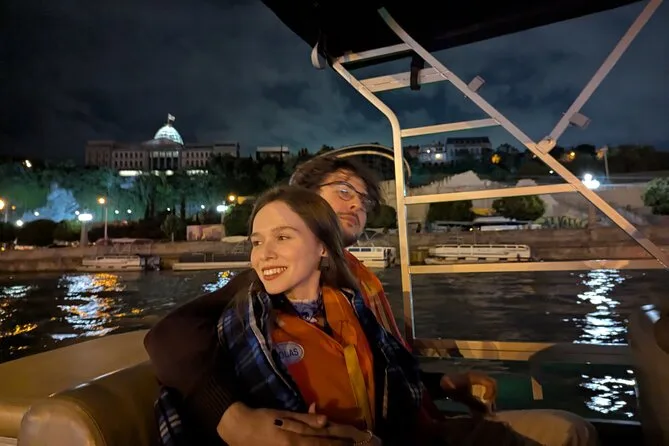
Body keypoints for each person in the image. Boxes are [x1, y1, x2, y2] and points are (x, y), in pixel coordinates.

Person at [145, 156, 597, 446]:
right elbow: (168, 336)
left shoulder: (353, 284)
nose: (356, 206)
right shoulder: (265, 284)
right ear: (305, 200)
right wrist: (234, 418)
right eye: (343, 191)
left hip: (416, 425)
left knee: (571, 431)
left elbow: (377, 371)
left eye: (364, 201)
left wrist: (442, 383)